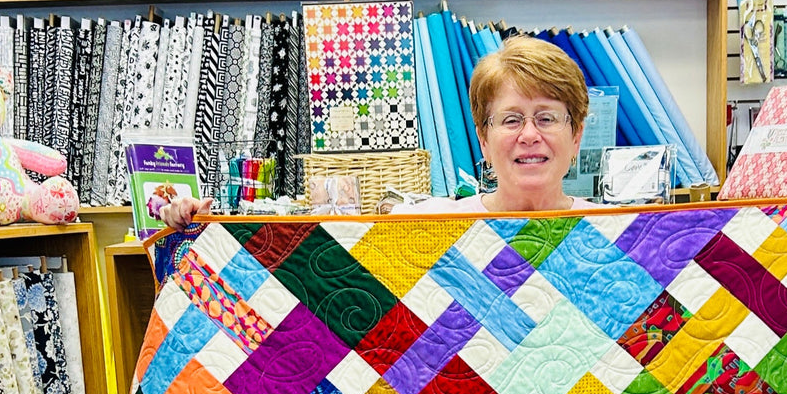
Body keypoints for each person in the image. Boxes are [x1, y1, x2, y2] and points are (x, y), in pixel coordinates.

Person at [159, 35, 590, 229]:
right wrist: (200, 224)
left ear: (577, 135)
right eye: (511, 119)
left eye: (547, 117)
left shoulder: (623, 231)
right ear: (482, 138)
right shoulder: (426, 224)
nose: (529, 134)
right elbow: (303, 253)